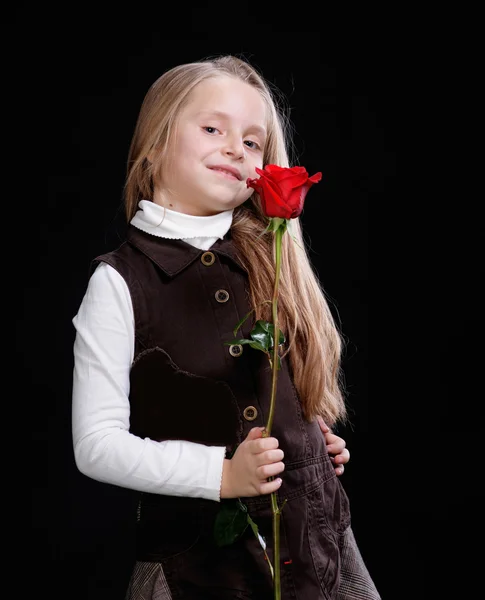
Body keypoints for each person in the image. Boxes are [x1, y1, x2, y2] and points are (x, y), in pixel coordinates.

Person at [72, 54, 380, 599]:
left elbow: (278, 392)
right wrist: (219, 475)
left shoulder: (271, 258)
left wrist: (310, 438)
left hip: (317, 552)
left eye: (254, 141)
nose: (236, 148)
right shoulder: (120, 283)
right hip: (199, 568)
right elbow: (96, 445)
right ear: (156, 143)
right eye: (213, 128)